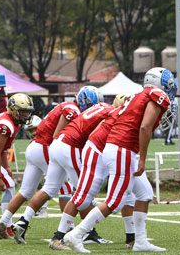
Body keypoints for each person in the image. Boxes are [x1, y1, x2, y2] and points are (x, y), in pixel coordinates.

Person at [64, 67, 176, 253]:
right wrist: (142, 159)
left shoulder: (137, 95)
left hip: (119, 147)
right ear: (161, 83)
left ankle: (140, 241)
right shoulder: (157, 95)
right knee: (115, 201)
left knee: (145, 193)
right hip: (122, 149)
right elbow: (145, 127)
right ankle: (76, 234)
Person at [9, 86, 107, 245]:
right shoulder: (72, 109)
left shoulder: (72, 108)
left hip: (50, 147)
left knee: (49, 188)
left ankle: (23, 221)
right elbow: (58, 134)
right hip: (58, 147)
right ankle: (87, 232)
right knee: (81, 190)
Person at [48, 92, 138, 251]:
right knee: (81, 196)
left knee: (79, 194)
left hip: (62, 142)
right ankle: (61, 237)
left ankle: (131, 238)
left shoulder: (102, 107)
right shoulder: (113, 113)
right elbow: (95, 134)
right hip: (80, 146)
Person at [0, 96, 82, 240]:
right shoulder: (72, 109)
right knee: (64, 187)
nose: (26, 115)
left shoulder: (65, 105)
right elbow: (56, 135)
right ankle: (69, 229)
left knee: (25, 191)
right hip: (45, 147)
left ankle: (2, 222)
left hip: (34, 146)